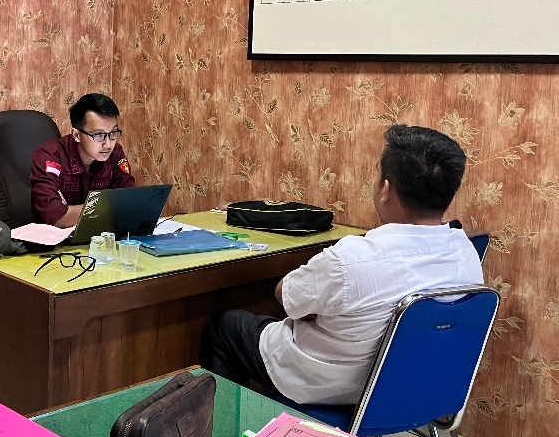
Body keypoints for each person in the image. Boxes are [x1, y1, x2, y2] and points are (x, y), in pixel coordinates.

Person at [200, 124, 483, 406]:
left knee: (224, 327)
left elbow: (285, 296)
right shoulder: (466, 252)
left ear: (385, 189)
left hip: (329, 385)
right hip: (405, 387)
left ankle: (226, 430)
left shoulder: (352, 258)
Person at [30, 93, 136, 227]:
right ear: (76, 135)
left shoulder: (115, 154)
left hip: (98, 234)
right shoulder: (49, 155)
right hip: (54, 238)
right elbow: (56, 217)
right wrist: (112, 205)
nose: (108, 144)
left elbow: (130, 203)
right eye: (98, 135)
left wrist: (70, 210)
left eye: (113, 133)